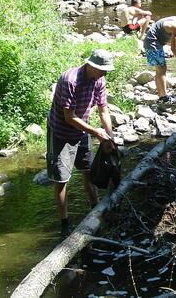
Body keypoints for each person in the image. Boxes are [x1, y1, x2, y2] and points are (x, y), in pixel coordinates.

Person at [47, 49, 115, 238]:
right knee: (61, 179)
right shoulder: (70, 80)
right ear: (91, 65)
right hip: (61, 132)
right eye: (102, 69)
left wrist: (109, 137)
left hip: (83, 130)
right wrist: (95, 131)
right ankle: (65, 223)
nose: (105, 73)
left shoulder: (99, 79)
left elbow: (103, 110)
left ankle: (96, 209)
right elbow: (69, 117)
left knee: (88, 170)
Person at [143, 13, 176, 109]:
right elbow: (174, 49)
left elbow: (164, 31)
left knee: (160, 69)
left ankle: (161, 94)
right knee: (162, 69)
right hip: (152, 44)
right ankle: (163, 98)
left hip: (151, 41)